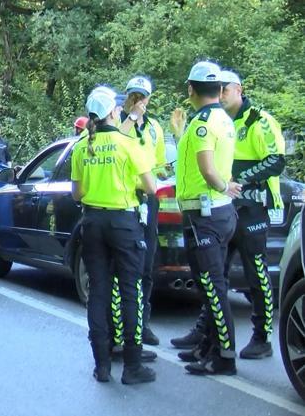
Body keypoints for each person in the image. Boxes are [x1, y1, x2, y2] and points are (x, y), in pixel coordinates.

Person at [174, 70, 286, 361]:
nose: (221, 94)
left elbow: (277, 161)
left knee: (256, 271)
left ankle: (262, 336)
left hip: (251, 207)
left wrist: (240, 181)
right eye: (219, 89)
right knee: (215, 274)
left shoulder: (259, 120)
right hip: (222, 206)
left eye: (226, 89)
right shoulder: (218, 120)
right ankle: (207, 333)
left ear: (239, 89)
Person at [70, 88, 157, 384]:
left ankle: (102, 364)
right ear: (112, 112)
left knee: (98, 292)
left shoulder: (82, 145)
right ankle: (132, 366)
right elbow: (150, 187)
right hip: (124, 222)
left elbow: (77, 193)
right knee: (130, 291)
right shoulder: (127, 142)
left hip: (92, 221)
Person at [174, 61, 242, 375]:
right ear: (218, 89)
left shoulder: (203, 123)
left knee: (213, 287)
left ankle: (224, 357)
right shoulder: (224, 119)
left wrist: (222, 186)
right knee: (213, 284)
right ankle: (209, 347)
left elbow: (206, 167)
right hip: (218, 213)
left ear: (191, 89)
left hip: (206, 213)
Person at [120, 76, 169, 347]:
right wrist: (131, 118)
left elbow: (159, 164)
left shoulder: (154, 128)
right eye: (133, 95)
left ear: (149, 99)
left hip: (148, 199)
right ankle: (125, 327)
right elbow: (118, 142)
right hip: (124, 198)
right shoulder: (118, 123)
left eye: (142, 96)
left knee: (147, 263)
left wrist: (163, 170)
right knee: (127, 265)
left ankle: (143, 321)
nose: (138, 100)